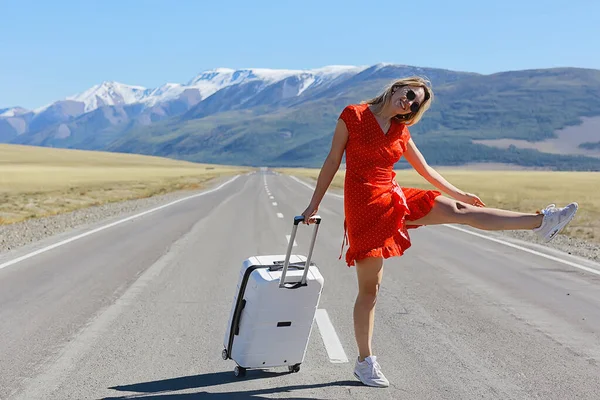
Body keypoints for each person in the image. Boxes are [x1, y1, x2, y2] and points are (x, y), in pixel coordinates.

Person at [300, 76, 578, 388]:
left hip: (393, 196)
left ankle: (542, 221)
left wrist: (460, 194)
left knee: (462, 212)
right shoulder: (354, 115)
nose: (408, 103)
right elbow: (333, 160)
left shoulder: (400, 131)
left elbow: (425, 170)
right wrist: (314, 205)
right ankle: (365, 362)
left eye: (414, 104)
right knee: (370, 290)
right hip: (364, 205)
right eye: (408, 95)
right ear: (395, 88)